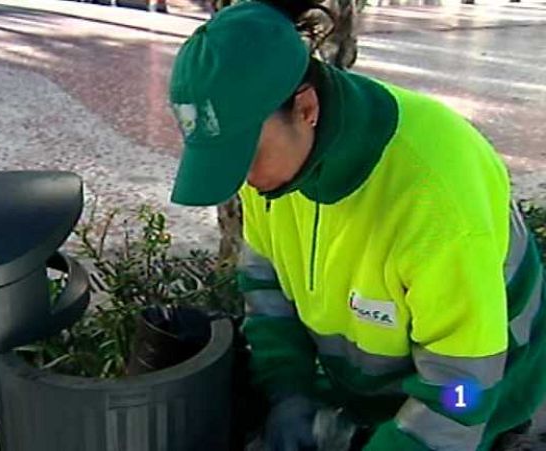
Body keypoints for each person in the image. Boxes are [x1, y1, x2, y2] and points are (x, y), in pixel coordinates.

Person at [166, 0, 546, 450]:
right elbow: (267, 287)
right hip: (371, 398)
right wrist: (288, 391)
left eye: (246, 154)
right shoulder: (269, 169)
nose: (242, 179)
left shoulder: (437, 199)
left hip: (483, 398)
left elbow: (461, 391)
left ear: (306, 107)